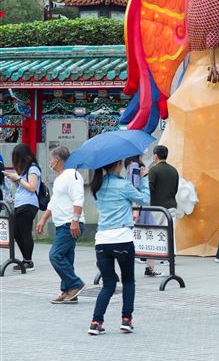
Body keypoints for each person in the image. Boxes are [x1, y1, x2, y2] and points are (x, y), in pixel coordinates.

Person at [88, 158, 150, 335]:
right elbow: (144, 199)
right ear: (117, 164)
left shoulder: (96, 186)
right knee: (128, 280)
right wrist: (144, 179)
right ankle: (126, 320)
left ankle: (95, 322)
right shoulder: (123, 185)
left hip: (102, 241)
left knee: (108, 285)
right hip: (122, 238)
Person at [35, 146, 86, 304]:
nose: (50, 162)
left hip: (69, 224)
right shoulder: (59, 178)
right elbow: (53, 202)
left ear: (56, 160)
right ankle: (68, 292)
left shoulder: (73, 175)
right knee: (66, 258)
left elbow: (79, 199)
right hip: (62, 224)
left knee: (55, 255)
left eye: (51, 159)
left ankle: (76, 284)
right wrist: (43, 219)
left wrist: (75, 220)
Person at [3, 143, 42, 271]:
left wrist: (18, 178)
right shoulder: (25, 170)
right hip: (21, 203)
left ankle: (28, 262)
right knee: (16, 232)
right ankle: (25, 259)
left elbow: (31, 187)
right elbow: (21, 187)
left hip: (29, 204)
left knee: (24, 232)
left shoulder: (33, 169)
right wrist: (14, 179)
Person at [125, 155, 160, 277]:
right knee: (150, 234)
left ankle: (149, 267)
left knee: (147, 234)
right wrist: (145, 176)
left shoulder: (131, 164)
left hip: (138, 206)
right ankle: (149, 267)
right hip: (141, 206)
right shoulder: (135, 165)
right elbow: (135, 186)